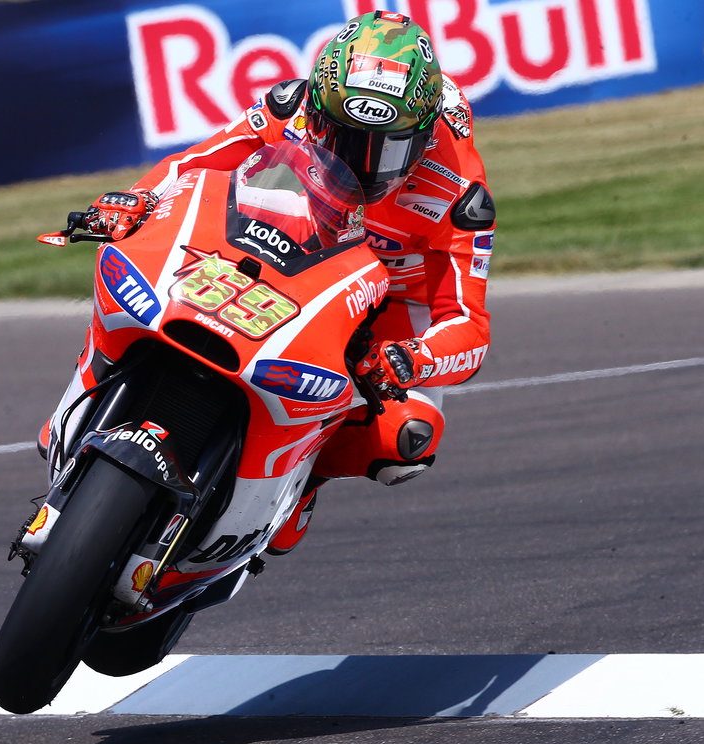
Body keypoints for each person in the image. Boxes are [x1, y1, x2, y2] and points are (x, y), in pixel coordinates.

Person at [53, 10, 494, 555]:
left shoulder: (461, 196)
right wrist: (137, 200)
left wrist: (412, 359)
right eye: (343, 137)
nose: (361, 165)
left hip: (389, 302)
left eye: (388, 149)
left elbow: (469, 327)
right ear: (317, 108)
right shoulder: (290, 106)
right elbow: (194, 166)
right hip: (285, 244)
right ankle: (99, 388)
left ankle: (301, 479)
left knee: (407, 438)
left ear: (422, 137)